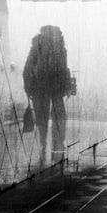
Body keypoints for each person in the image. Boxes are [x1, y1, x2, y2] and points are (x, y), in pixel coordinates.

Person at [23, 25, 75, 164]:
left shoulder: (37, 47)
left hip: (40, 88)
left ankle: (43, 142)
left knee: (42, 116)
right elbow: (64, 70)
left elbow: (27, 68)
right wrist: (67, 87)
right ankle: (57, 141)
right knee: (58, 115)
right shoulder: (60, 48)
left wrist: (29, 88)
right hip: (54, 88)